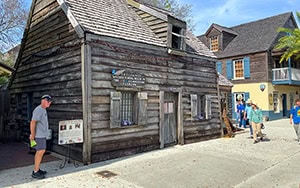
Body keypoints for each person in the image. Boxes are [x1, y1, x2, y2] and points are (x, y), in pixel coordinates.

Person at [30, 95, 53, 179]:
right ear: (43, 101)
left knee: (40, 152)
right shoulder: (39, 110)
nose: (50, 103)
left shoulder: (43, 110)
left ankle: (37, 169)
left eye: (50, 101)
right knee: (40, 151)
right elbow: (33, 122)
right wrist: (32, 135)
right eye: (49, 101)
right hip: (39, 135)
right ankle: (35, 171)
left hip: (42, 135)